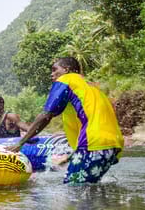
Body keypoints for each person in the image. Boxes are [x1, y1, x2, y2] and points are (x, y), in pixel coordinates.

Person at [7, 57, 124, 185]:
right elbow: (91, 121)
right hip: (112, 145)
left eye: (54, 70)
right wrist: (73, 155)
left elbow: (46, 116)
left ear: (66, 70)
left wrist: (21, 143)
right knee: (90, 188)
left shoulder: (65, 80)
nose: (51, 74)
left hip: (93, 145)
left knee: (73, 189)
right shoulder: (91, 87)